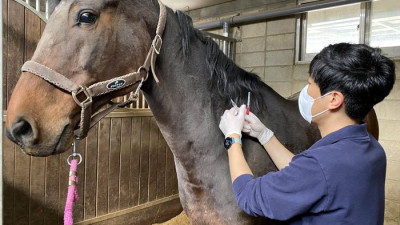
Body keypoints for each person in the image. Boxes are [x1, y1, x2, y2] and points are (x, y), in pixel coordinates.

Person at [219, 43, 395, 224]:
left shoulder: (321, 166)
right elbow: (304, 174)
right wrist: (264, 135)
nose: (306, 91)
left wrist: (232, 137)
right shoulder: (372, 149)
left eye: (310, 84)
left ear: (333, 99)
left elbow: (249, 196)